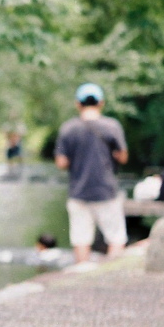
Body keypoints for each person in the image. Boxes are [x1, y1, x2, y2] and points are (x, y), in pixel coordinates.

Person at [54, 83, 129, 263]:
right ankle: (112, 276)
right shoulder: (112, 126)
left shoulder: (68, 128)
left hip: (78, 192)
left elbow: (61, 162)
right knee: (116, 237)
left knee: (81, 239)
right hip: (106, 191)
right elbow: (123, 157)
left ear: (78, 104)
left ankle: (81, 280)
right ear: (101, 103)